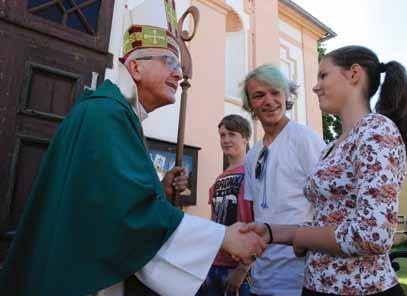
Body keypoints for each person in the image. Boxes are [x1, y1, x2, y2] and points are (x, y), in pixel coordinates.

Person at [0, 2, 267, 296]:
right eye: (170, 62)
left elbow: (110, 195)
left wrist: (160, 190)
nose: (179, 74)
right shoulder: (105, 114)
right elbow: (125, 213)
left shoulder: (117, 114)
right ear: (136, 67)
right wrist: (221, 237)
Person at [244, 45, 407, 295]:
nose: (316, 86)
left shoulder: (375, 130)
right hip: (318, 284)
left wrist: (300, 238)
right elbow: (325, 219)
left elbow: (372, 234)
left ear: (353, 74)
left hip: (361, 289)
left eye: (323, 75)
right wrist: (272, 232)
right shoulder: (332, 147)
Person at [241, 64, 325, 296]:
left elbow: (329, 204)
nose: (269, 101)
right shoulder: (252, 155)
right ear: (250, 105)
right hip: (262, 276)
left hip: (301, 277)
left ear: (286, 96)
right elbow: (254, 210)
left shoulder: (304, 139)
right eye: (258, 95)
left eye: (275, 92)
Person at [199, 115, 254, 296]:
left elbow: (258, 221)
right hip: (214, 264)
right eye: (222, 135)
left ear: (245, 138)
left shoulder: (253, 175)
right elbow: (215, 219)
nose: (226, 140)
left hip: (238, 269)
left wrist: (243, 269)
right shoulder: (218, 179)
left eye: (232, 134)